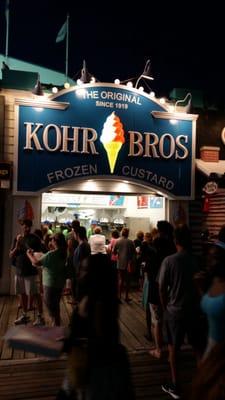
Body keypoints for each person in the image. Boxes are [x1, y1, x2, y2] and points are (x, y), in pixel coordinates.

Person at [57, 253, 135, 400]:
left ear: (95, 274)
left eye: (85, 269)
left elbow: (99, 341)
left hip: (94, 373)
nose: (80, 272)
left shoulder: (94, 303)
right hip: (106, 369)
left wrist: (69, 342)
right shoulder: (105, 298)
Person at [158, 224, 200, 399]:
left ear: (175, 240)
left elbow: (161, 287)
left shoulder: (169, 261)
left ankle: (176, 385)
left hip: (174, 311)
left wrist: (165, 307)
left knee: (173, 349)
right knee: (198, 347)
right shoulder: (196, 260)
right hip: (194, 310)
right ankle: (202, 380)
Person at [27, 232, 67, 326]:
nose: (50, 241)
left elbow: (36, 263)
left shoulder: (51, 254)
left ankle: (55, 327)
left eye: (52, 239)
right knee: (56, 307)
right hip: (59, 284)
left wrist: (29, 255)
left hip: (50, 284)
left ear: (54, 241)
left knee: (50, 307)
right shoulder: (63, 252)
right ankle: (57, 327)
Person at [9, 219, 44, 326]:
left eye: (29, 226)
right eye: (25, 226)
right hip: (19, 271)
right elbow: (11, 255)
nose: (27, 228)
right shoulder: (17, 238)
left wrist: (34, 254)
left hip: (31, 272)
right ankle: (24, 315)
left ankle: (40, 317)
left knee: (36, 294)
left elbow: (41, 253)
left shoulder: (35, 238)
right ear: (22, 226)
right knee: (22, 294)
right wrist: (17, 246)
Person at [114, 227, 136, 303]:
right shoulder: (131, 242)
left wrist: (118, 254)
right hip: (128, 263)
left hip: (120, 262)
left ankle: (119, 297)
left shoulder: (118, 241)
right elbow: (134, 253)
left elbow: (113, 252)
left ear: (122, 233)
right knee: (127, 281)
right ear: (128, 233)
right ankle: (126, 297)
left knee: (120, 280)